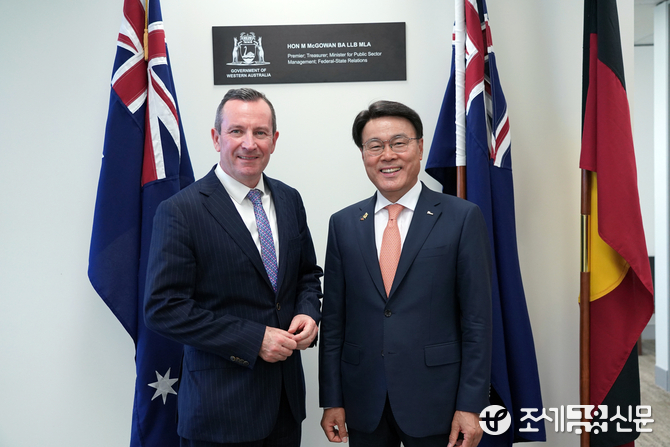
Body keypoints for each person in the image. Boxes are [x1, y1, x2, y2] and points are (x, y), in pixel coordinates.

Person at [144, 88, 322, 447]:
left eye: (260, 132)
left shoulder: (289, 199)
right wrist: (254, 340)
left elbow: (306, 274)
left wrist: (308, 312)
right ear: (216, 138)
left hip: (285, 407)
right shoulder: (181, 211)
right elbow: (164, 308)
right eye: (236, 131)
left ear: (274, 140)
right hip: (219, 413)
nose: (249, 144)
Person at [319, 100, 492, 447]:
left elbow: (477, 321)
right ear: (363, 154)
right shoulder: (343, 224)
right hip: (364, 400)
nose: (387, 155)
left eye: (399, 142)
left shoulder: (461, 218)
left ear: (420, 147)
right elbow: (334, 321)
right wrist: (332, 399)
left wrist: (471, 405)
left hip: (438, 401)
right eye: (375, 146)